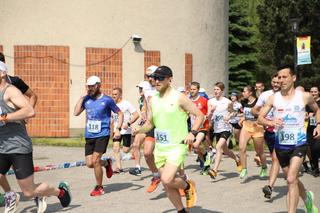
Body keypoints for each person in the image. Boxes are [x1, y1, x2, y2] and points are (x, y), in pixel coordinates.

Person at [0, 61, 71, 213]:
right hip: (1, 146)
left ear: (2, 73)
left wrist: (4, 117)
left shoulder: (10, 91)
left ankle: (60, 192)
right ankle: (10, 195)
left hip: (17, 146)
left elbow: (30, 111)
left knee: (29, 192)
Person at [133, 66, 204, 212]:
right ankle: (181, 210)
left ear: (169, 79)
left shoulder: (179, 97)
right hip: (160, 148)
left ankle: (188, 186)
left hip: (177, 146)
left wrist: (193, 133)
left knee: (166, 179)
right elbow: (150, 123)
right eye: (154, 78)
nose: (156, 81)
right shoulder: (153, 99)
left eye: (160, 78)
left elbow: (200, 115)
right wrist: (139, 130)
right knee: (167, 185)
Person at [258, 65, 320, 213]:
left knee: (291, 179)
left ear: (293, 78)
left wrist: (318, 124)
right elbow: (260, 117)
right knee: (293, 180)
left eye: (284, 77)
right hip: (281, 146)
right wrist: (270, 122)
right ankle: (307, 199)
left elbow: (317, 110)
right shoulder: (274, 98)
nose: (281, 80)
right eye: (279, 77)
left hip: (299, 144)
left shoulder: (304, 96)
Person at [0, 53, 42, 209]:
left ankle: (38, 193)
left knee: (27, 187)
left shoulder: (14, 83)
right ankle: (10, 194)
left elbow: (32, 97)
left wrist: (20, 116)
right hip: (2, 137)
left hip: (16, 131)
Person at [74, 75, 123, 196]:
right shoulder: (86, 99)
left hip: (103, 134)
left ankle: (99, 187)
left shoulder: (107, 100)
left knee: (95, 161)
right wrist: (81, 97)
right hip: (89, 135)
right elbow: (75, 113)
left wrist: (118, 129)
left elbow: (120, 113)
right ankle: (107, 163)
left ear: (98, 86)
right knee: (90, 163)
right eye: (88, 86)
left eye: (92, 86)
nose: (89, 88)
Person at [129, 65, 162, 193]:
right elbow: (146, 107)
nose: (149, 79)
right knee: (147, 153)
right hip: (151, 125)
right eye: (147, 76)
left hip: (165, 126)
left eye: (151, 76)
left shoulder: (164, 89)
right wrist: (143, 123)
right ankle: (156, 176)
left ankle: (182, 180)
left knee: (167, 156)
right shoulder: (147, 90)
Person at [252, 73, 281, 199]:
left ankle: (270, 186)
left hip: (284, 131)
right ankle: (271, 186)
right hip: (270, 131)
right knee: (276, 158)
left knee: (277, 159)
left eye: (278, 82)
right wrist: (261, 115)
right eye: (273, 82)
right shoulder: (265, 95)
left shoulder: (289, 95)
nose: (275, 84)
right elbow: (254, 109)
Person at [207, 82, 241, 179]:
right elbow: (208, 117)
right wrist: (211, 112)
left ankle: (215, 170)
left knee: (218, 147)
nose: (216, 91)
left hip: (226, 128)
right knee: (225, 151)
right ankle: (237, 159)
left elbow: (233, 113)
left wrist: (228, 116)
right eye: (214, 89)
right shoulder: (211, 101)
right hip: (217, 129)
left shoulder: (227, 102)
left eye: (217, 89)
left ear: (222, 91)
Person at [238, 85, 267, 181]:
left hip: (257, 128)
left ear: (250, 93)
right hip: (246, 126)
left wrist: (258, 120)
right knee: (242, 148)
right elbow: (245, 113)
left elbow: (263, 114)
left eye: (244, 91)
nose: (243, 93)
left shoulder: (258, 102)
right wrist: (242, 118)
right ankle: (244, 169)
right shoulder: (243, 101)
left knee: (259, 151)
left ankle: (264, 167)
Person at [111, 87, 139, 173]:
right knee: (116, 148)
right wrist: (112, 129)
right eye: (113, 94)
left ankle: (133, 138)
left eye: (115, 94)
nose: (113, 96)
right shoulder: (112, 105)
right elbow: (112, 118)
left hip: (126, 130)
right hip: (117, 130)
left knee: (125, 150)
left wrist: (128, 123)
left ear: (120, 95)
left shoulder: (126, 104)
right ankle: (119, 167)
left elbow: (136, 115)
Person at [189, 82, 210, 175]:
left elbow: (208, 113)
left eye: (194, 89)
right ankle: (206, 163)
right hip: (193, 128)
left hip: (202, 127)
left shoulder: (204, 100)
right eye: (191, 89)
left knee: (196, 145)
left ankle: (206, 155)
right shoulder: (188, 101)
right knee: (196, 149)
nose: (192, 91)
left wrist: (207, 116)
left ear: (198, 90)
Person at [306, 86, 320, 177]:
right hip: (310, 129)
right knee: (312, 149)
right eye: (311, 91)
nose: (313, 93)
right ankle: (316, 168)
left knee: (316, 148)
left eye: (315, 91)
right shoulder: (308, 103)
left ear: (318, 92)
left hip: (319, 128)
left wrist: (314, 114)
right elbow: (306, 115)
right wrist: (307, 116)